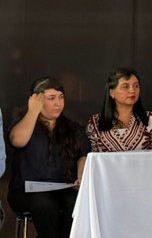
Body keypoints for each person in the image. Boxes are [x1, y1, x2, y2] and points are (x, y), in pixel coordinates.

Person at [8, 77, 91, 238]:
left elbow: (84, 155)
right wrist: (33, 111)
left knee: (77, 202)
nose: (58, 103)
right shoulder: (23, 123)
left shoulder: (73, 128)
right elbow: (17, 141)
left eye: (61, 97)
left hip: (62, 188)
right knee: (45, 203)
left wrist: (80, 177)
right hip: (26, 191)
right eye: (51, 98)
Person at [86, 67, 152, 152]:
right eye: (126, 86)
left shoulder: (150, 118)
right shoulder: (95, 122)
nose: (132, 90)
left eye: (136, 86)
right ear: (112, 93)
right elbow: (92, 157)